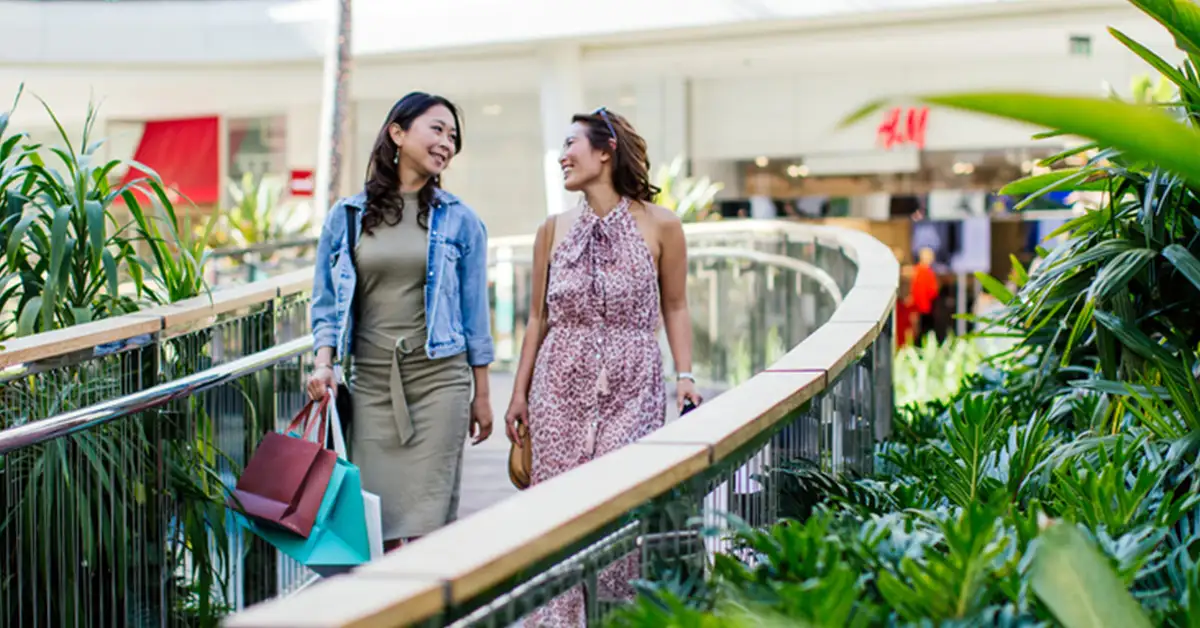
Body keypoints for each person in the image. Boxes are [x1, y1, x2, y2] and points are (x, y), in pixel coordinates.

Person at [504, 107, 700, 626]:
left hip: (634, 387)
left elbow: (676, 306)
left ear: (606, 151)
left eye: (572, 144)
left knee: (618, 514)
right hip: (556, 391)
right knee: (558, 521)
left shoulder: (663, 226)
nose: (563, 157)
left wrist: (685, 376)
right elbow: (536, 318)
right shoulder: (552, 230)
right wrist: (519, 392)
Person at [307, 92, 495, 552]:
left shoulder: (460, 221)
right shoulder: (347, 218)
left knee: (430, 524)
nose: (447, 143)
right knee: (378, 524)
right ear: (397, 132)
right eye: (437, 129)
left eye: (453, 136)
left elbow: (475, 316)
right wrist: (323, 362)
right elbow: (326, 302)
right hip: (371, 383)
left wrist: (482, 395)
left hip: (440, 382)